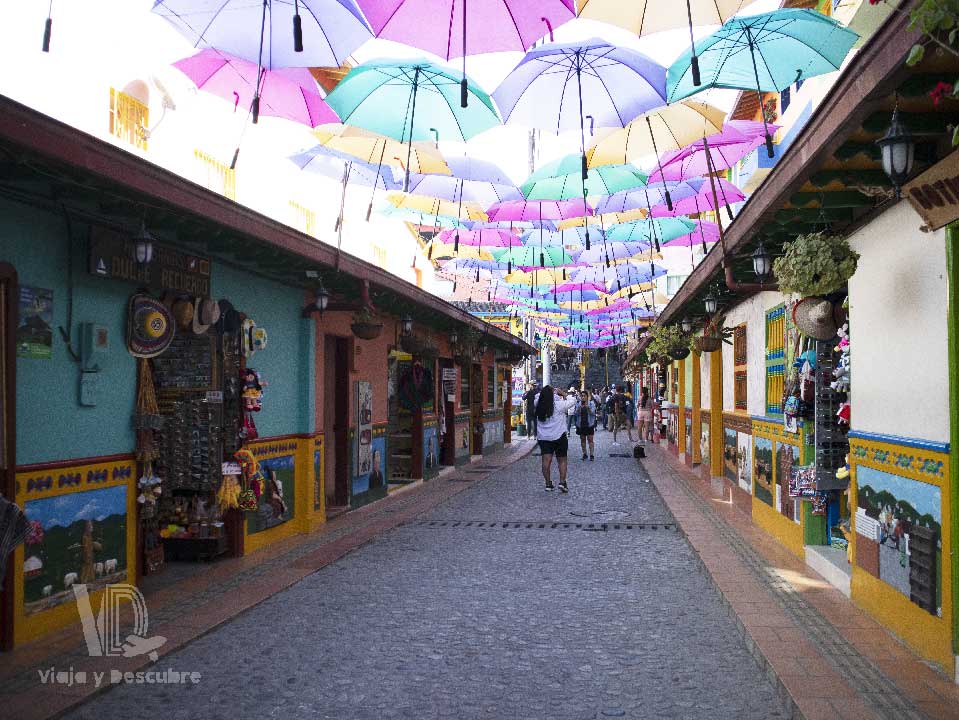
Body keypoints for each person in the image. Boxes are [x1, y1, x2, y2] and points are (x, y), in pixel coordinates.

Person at [534, 385, 576, 492]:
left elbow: (537, 396)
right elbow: (573, 400)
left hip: (544, 437)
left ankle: (548, 484)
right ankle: (562, 482)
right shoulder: (559, 405)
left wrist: (546, 392)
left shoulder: (538, 404)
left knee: (546, 461)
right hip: (559, 436)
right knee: (562, 460)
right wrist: (562, 393)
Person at [574, 389, 599, 461]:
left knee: (590, 439)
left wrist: (588, 409)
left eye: (584, 396)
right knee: (582, 440)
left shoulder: (591, 403)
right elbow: (575, 414)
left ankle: (592, 455)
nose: (583, 397)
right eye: (581, 396)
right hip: (581, 425)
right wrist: (579, 409)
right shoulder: (578, 404)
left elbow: (593, 414)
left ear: (587, 397)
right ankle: (584, 453)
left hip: (589, 424)